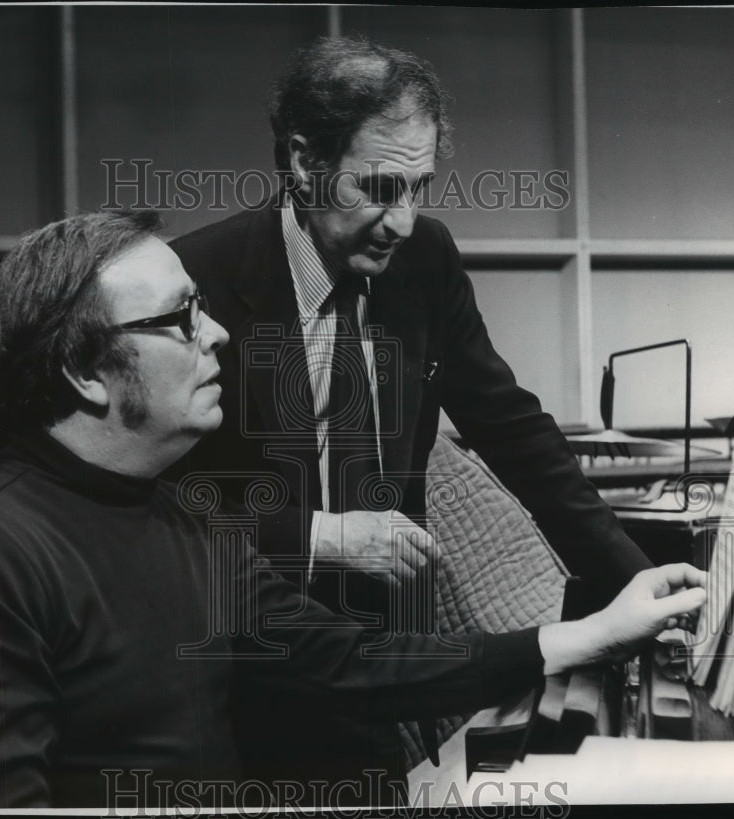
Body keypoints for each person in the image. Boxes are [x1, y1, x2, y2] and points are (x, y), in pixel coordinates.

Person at [0, 210, 705, 809]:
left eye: (203, 306)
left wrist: (588, 633)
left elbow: (349, 663)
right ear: (84, 371)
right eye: (179, 319)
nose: (216, 334)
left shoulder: (185, 521)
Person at [168, 35, 656, 789]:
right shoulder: (195, 279)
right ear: (304, 163)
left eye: (420, 187)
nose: (403, 220)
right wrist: (319, 535)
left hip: (385, 667)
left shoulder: (424, 259)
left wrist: (634, 582)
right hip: (238, 672)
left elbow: (513, 428)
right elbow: (155, 510)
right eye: (380, 189)